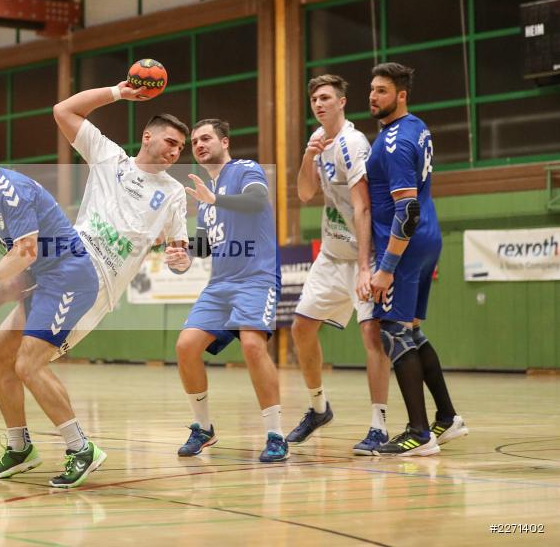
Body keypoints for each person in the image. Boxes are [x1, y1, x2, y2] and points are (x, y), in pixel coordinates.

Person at [0, 81, 191, 481]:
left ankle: (78, 447)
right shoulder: (111, 158)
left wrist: (180, 258)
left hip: (94, 283)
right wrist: (119, 92)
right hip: (67, 257)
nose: (177, 152)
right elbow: (64, 111)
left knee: (27, 362)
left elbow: (179, 252)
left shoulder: (175, 193)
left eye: (182, 147)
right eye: (171, 142)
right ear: (148, 137)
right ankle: (18, 447)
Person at [285, 74, 392, 455]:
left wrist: (365, 267)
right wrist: (308, 155)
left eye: (326, 97)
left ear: (342, 102)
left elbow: (363, 206)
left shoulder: (352, 143)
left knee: (372, 336)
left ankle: (379, 425)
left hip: (364, 254)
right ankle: (318, 408)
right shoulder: (319, 139)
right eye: (314, 98)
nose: (319, 103)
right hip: (331, 255)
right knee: (300, 328)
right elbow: (304, 192)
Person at [366, 63, 468, 456]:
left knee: (392, 331)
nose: (373, 97)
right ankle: (446, 418)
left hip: (404, 247)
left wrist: (385, 268)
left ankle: (419, 433)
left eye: (382, 91)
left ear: (401, 95)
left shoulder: (395, 143)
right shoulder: (417, 127)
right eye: (372, 90)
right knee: (411, 331)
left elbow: (405, 211)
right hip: (428, 239)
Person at [174, 119, 286, 462]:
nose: (199, 144)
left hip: (256, 277)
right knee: (186, 346)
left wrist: (216, 198)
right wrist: (184, 255)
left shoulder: (245, 169)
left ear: (225, 141)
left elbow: (256, 201)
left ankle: (276, 434)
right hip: (220, 285)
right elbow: (205, 246)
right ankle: (203, 428)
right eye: (194, 141)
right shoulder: (205, 194)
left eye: (206, 138)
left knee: (253, 346)